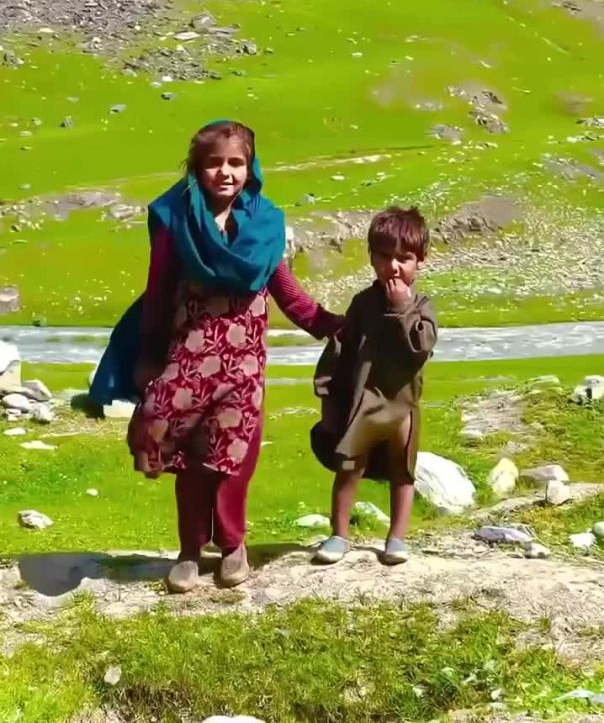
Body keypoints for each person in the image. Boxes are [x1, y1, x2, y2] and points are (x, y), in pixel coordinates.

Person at [99, 119, 342, 594]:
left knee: (232, 460)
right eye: (214, 163)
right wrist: (148, 354)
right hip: (187, 361)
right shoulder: (176, 221)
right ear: (196, 168)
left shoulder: (264, 224)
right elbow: (159, 290)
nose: (225, 172)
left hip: (243, 367)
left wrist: (330, 324)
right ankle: (190, 551)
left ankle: (233, 547)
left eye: (236, 163)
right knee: (189, 461)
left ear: (251, 169)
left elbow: (285, 289)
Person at [310, 206, 437, 566]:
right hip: (362, 404)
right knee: (349, 467)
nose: (393, 266)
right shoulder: (363, 304)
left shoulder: (422, 306)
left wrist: (403, 309)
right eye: (384, 256)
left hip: (402, 407)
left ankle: (396, 539)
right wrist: (327, 398)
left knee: (403, 472)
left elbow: (422, 346)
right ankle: (339, 534)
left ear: (420, 261)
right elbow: (339, 350)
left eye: (404, 258)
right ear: (371, 257)